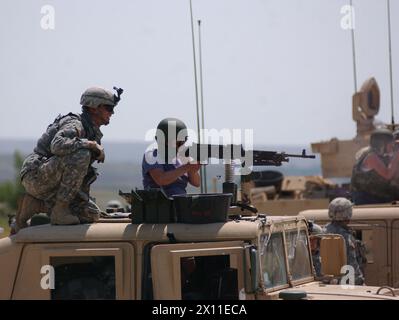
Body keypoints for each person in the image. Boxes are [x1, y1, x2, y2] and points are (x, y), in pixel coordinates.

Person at [16, 86, 123, 229]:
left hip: (52, 177)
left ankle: (36, 205)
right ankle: (60, 210)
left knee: (90, 214)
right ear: (93, 107)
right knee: (81, 154)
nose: (112, 113)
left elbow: (80, 174)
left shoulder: (91, 130)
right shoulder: (75, 123)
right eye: (109, 108)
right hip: (36, 175)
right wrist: (90, 144)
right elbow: (57, 145)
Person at [142, 118, 201, 197]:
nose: (180, 144)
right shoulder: (152, 154)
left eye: (182, 141)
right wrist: (187, 167)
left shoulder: (181, 153)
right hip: (159, 204)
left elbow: (196, 183)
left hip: (179, 202)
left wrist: (193, 169)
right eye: (177, 141)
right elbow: (161, 179)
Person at [351, 128, 399, 205]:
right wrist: (397, 155)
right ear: (382, 144)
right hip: (366, 199)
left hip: (377, 196)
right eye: (390, 145)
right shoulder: (371, 157)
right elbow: (388, 174)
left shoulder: (381, 156)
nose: (392, 148)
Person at [325, 197, 365, 285]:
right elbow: (352, 264)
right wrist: (360, 281)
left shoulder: (324, 231)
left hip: (329, 282)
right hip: (345, 284)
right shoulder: (345, 237)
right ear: (348, 214)